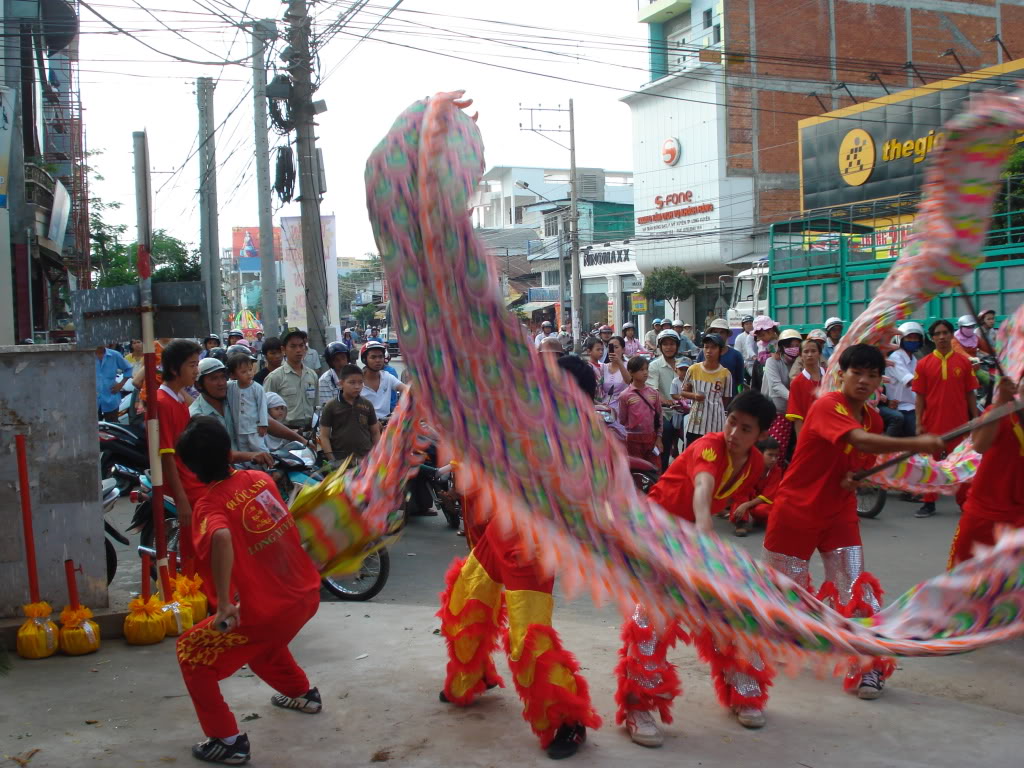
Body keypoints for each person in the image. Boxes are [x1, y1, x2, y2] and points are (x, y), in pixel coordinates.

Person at [437, 354, 602, 760]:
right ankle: (470, 676)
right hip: (500, 532)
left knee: (528, 639)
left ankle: (568, 721)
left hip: (532, 549)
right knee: (467, 594)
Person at [763, 344, 944, 703]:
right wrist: (919, 441)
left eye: (872, 375)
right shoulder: (828, 405)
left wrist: (857, 478)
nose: (863, 381)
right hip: (795, 512)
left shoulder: (873, 418)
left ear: (880, 380)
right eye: (856, 372)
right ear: (841, 373)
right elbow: (857, 441)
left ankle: (869, 667)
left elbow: (857, 463)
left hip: (838, 513)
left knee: (856, 588)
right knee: (785, 593)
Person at [616, 391, 776, 746]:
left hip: (694, 541)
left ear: (760, 434)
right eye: (732, 422)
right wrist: (704, 528)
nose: (734, 432)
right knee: (653, 620)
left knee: (730, 610)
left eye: (746, 428)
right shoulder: (709, 445)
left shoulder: (754, 463)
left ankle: (742, 688)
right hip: (657, 534)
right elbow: (703, 486)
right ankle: (637, 707)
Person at [174, 417, 322, 766]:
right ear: (228, 452)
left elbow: (221, 537)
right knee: (258, 645)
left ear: (192, 469)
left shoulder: (208, 506)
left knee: (191, 653)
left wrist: (224, 603)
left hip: (267, 612)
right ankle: (302, 693)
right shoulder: (260, 479)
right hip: (303, 595)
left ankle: (227, 740)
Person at [948, 375, 1024, 567]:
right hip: (982, 514)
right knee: (961, 581)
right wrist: (1000, 402)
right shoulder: (999, 412)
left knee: (1008, 590)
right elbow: (981, 445)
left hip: (1019, 521)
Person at [911, 319, 980, 518]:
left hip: (959, 423)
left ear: (951, 335)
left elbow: (970, 393)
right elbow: (920, 396)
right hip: (931, 423)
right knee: (929, 465)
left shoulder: (964, 362)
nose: (942, 337)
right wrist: (918, 423)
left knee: (961, 464)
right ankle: (928, 503)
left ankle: (965, 503)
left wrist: (975, 418)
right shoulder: (923, 364)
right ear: (932, 338)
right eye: (937, 334)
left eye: (945, 333)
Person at [319, 364, 380, 468]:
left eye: (360, 382)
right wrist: (332, 460)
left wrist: (376, 456)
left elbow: (375, 433)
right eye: (352, 382)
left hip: (365, 460)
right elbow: (324, 436)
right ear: (341, 383)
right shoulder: (331, 406)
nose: (357, 386)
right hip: (341, 461)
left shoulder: (367, 405)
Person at [678, 333, 734, 447]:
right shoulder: (693, 369)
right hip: (695, 423)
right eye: (706, 347)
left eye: (713, 347)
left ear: (721, 350)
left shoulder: (725, 374)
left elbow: (726, 399)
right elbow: (683, 392)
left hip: (716, 423)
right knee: (692, 456)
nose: (709, 350)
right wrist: (694, 396)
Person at [264, 330, 320, 431]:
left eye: (301, 345)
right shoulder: (275, 377)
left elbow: (316, 406)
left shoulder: (312, 375)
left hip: (310, 432)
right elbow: (265, 411)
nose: (298, 350)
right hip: (286, 433)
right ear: (283, 349)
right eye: (293, 346)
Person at [761, 328, 800, 459]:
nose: (793, 348)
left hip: (794, 415)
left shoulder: (799, 363)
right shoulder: (772, 361)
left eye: (796, 346)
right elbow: (776, 386)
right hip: (777, 414)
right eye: (790, 345)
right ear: (782, 346)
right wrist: (795, 399)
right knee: (775, 452)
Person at [730, 437, 782, 536]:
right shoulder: (749, 466)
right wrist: (744, 503)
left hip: (759, 501)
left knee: (762, 510)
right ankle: (741, 523)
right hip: (748, 496)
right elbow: (741, 489)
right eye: (770, 455)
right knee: (740, 496)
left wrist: (746, 505)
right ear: (760, 453)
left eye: (776, 456)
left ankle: (759, 519)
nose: (774, 459)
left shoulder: (776, 471)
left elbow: (767, 496)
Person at [881, 321, 923, 438]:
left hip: (915, 406)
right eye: (909, 337)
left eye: (916, 338)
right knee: (918, 434)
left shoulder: (914, 359)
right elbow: (911, 382)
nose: (913, 341)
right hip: (902, 407)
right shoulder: (895, 357)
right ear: (901, 339)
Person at [618, 356, 662, 465]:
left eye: (646, 369)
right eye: (641, 370)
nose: (645, 372)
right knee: (637, 469)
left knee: (654, 469)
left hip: (651, 437)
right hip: (633, 439)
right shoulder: (625, 395)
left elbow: (659, 417)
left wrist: (659, 438)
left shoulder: (653, 393)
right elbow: (622, 419)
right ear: (631, 372)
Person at [648, 329, 682, 470]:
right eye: (665, 344)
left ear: (677, 346)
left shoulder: (685, 364)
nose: (669, 347)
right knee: (666, 432)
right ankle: (663, 471)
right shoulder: (654, 365)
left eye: (672, 344)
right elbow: (653, 391)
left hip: (683, 410)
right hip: (663, 412)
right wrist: (666, 401)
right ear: (660, 347)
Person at [226, 351, 269, 454]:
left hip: (254, 427)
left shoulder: (257, 388)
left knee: (258, 447)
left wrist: (263, 423)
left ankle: (268, 463)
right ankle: (249, 467)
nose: (249, 373)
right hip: (238, 427)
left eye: (250, 369)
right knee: (243, 449)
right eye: (243, 372)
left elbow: (262, 406)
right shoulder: (231, 386)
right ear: (233, 375)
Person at [786, 337, 826, 440]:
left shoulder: (830, 376)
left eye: (813, 351)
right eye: (806, 351)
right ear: (800, 356)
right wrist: (801, 441)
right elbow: (797, 417)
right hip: (810, 433)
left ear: (819, 354)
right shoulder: (797, 383)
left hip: (831, 431)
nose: (810, 354)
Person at [360, 341, 407, 421]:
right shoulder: (358, 381)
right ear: (365, 359)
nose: (378, 360)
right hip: (364, 426)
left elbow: (407, 389)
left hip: (386, 424)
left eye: (381, 357)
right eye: (373, 357)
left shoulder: (387, 377)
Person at [95, 343, 134, 421]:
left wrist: (121, 384)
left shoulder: (114, 355)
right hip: (92, 400)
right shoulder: (86, 355)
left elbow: (128, 368)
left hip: (111, 397)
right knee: (93, 429)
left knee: (112, 427)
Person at [704, 318, 744, 387]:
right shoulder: (704, 353)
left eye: (722, 332)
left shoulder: (736, 355)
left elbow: (739, 382)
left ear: (727, 334)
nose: (719, 335)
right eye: (715, 332)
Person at [318, 342, 352, 407]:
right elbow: (327, 408)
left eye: (343, 358)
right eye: (336, 360)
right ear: (330, 362)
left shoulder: (355, 373)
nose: (341, 363)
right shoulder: (325, 380)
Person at [604, 335, 632, 407]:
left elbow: (629, 381)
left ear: (623, 350)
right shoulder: (603, 367)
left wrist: (619, 363)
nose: (613, 350)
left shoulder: (629, 365)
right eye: (611, 347)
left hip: (623, 406)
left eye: (616, 347)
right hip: (605, 407)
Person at [735, 316, 756, 382]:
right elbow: (738, 352)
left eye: (751, 323)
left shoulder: (758, 335)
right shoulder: (739, 337)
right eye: (747, 324)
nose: (749, 325)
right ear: (743, 326)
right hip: (746, 363)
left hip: (758, 362)